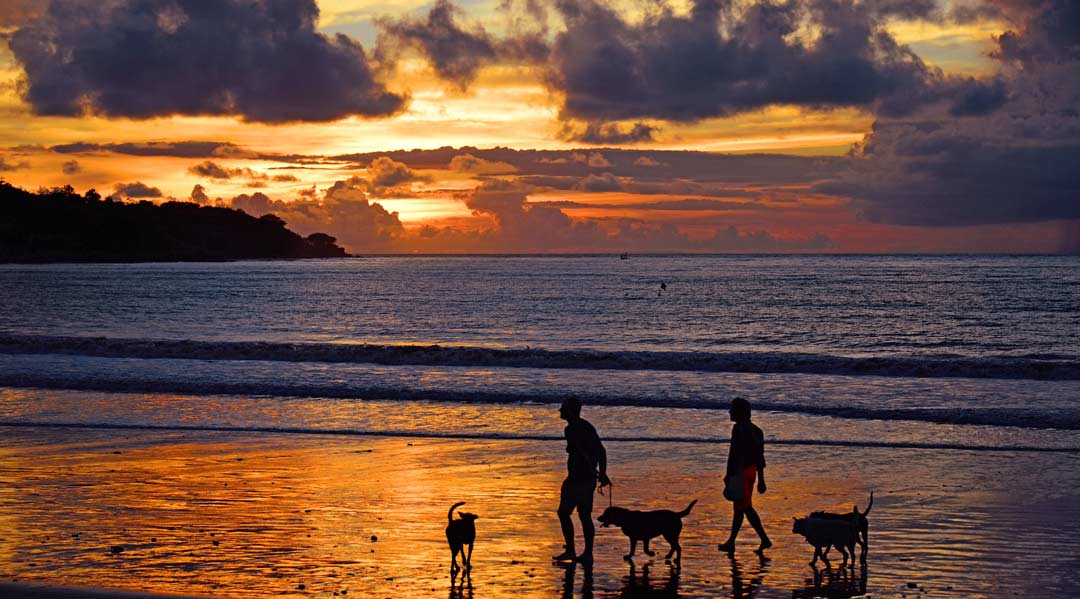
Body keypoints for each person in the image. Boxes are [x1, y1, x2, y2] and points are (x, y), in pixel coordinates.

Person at [553, 397, 611, 564]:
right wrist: (603, 472)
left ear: (570, 411)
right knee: (584, 515)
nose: (560, 411)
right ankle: (587, 553)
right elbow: (601, 451)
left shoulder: (571, 429)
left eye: (563, 408)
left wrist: (600, 471)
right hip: (587, 478)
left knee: (564, 513)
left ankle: (572, 550)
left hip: (578, 479)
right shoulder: (586, 426)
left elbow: (589, 451)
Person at [717, 397, 772, 554]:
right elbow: (760, 457)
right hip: (751, 471)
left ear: (739, 412)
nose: (729, 412)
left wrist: (730, 474)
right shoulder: (757, 431)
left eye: (732, 409)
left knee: (745, 507)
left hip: (741, 471)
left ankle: (764, 539)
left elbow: (733, 454)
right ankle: (732, 542)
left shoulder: (739, 429)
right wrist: (761, 479)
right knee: (740, 508)